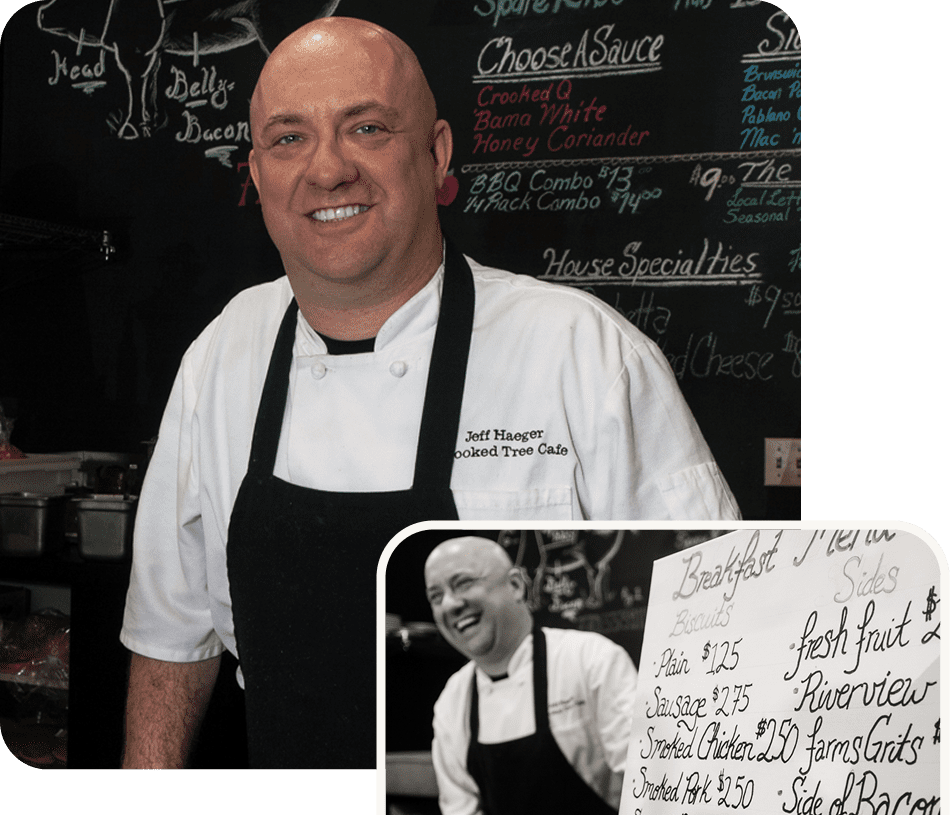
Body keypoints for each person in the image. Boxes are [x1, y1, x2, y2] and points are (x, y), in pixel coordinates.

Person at [119, 17, 736, 770]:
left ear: (436, 151)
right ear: (256, 174)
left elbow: (717, 640)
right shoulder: (221, 354)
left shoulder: (585, 355)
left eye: (367, 128)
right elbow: (169, 643)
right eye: (289, 139)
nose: (327, 170)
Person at [426, 537, 637, 815]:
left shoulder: (591, 661)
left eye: (463, 584)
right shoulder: (452, 701)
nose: (450, 604)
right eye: (435, 596)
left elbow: (649, 793)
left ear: (516, 585)